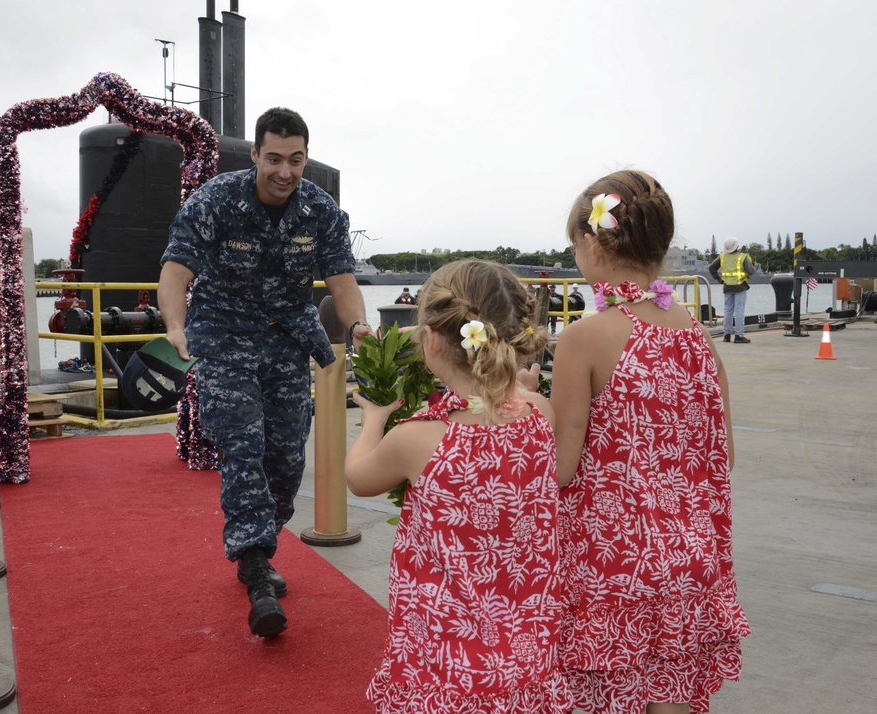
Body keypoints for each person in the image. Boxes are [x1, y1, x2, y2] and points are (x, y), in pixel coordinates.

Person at [158, 107, 371, 639]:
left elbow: (341, 280)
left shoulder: (321, 210)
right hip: (224, 335)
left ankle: (260, 538)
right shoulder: (215, 200)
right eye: (274, 158)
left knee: (285, 455)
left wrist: (361, 325)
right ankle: (254, 562)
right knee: (242, 443)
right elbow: (176, 268)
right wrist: (176, 326)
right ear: (255, 154)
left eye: (296, 160)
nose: (285, 171)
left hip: (286, 340)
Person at [549, 171, 750, 714]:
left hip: (615, 563)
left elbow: (562, 466)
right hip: (691, 557)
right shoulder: (695, 333)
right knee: (670, 698)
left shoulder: (582, 338)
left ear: (592, 243)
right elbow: (721, 453)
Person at [345, 259, 570, 713]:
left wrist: (373, 421)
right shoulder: (541, 413)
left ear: (430, 340)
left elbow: (358, 477)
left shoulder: (417, 438)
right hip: (527, 636)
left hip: (443, 647)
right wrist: (521, 387)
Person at [709, 237, 755, 343]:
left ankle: (727, 335)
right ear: (737, 246)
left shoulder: (722, 256)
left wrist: (719, 279)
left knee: (728, 310)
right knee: (739, 310)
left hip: (727, 287)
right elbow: (751, 271)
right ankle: (739, 336)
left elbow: (712, 268)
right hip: (740, 286)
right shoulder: (742, 257)